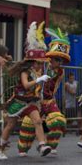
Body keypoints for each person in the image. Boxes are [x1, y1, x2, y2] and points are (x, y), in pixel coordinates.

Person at [0, 22, 52, 160]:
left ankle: (42, 145)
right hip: (19, 101)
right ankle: (1, 149)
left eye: (41, 63)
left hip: (30, 103)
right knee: (10, 125)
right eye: (38, 62)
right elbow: (26, 85)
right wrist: (39, 80)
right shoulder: (25, 71)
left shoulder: (39, 72)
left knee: (38, 121)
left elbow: (35, 90)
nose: (40, 65)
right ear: (31, 62)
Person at [18, 28, 69, 156]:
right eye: (56, 59)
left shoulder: (60, 72)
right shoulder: (41, 66)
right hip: (35, 100)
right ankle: (23, 148)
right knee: (29, 125)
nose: (58, 62)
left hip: (49, 100)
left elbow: (54, 86)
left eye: (60, 60)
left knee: (58, 120)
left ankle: (50, 146)